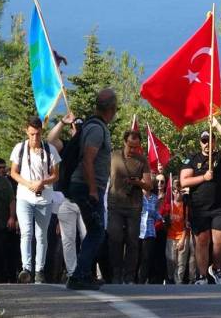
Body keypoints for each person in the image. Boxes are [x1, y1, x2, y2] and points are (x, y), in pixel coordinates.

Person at [66, 88, 117, 291]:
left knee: (94, 231)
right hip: (87, 187)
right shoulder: (96, 129)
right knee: (96, 231)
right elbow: (88, 159)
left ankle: (84, 273)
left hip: (85, 186)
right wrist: (94, 190)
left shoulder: (93, 126)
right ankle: (79, 276)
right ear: (111, 109)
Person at [180, 117, 221, 285]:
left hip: (220, 206)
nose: (206, 143)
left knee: (220, 241)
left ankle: (216, 268)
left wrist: (217, 124)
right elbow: (184, 181)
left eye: (209, 140)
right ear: (200, 143)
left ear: (214, 141)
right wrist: (203, 177)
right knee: (202, 242)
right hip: (199, 208)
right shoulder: (192, 159)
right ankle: (202, 276)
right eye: (203, 140)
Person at [10, 116, 61, 284]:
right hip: (24, 197)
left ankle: (39, 270)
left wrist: (42, 182)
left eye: (37, 134)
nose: (34, 138)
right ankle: (26, 269)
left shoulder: (50, 150)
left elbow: (55, 175)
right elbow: (13, 172)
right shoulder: (20, 148)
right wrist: (29, 184)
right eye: (31, 134)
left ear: (41, 132)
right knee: (26, 232)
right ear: (26, 131)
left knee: (41, 235)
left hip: (44, 198)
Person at [107, 130, 152, 284]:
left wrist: (137, 182)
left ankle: (129, 277)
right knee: (115, 238)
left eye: (136, 147)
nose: (133, 150)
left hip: (134, 206)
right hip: (115, 204)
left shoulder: (142, 160)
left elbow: (149, 185)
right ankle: (115, 274)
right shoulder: (113, 156)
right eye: (130, 146)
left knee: (133, 241)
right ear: (124, 142)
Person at [47, 113, 87, 282]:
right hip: (66, 199)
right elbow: (50, 141)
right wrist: (62, 122)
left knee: (87, 237)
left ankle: (84, 271)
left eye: (79, 128)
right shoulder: (66, 146)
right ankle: (72, 273)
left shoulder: (90, 147)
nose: (76, 130)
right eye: (74, 127)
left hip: (85, 200)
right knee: (68, 239)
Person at [165, 179, 195, 284]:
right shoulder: (169, 205)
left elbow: (186, 225)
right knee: (170, 259)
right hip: (170, 236)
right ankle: (170, 278)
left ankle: (178, 281)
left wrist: (182, 240)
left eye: (178, 191)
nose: (176, 193)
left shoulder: (185, 206)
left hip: (183, 236)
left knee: (181, 262)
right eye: (174, 191)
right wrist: (166, 219)